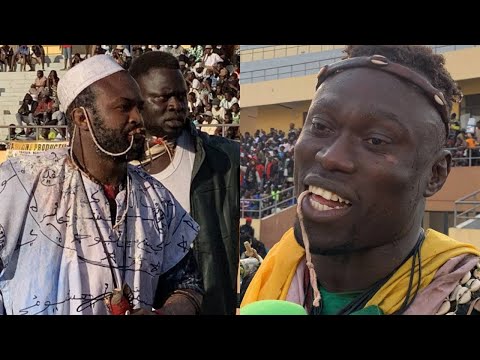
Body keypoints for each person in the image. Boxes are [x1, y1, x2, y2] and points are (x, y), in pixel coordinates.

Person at [241, 45, 480, 315]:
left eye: (376, 140)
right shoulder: (263, 278)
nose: (331, 157)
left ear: (435, 174)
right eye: (320, 126)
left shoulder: (465, 297)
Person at [0, 55, 203, 315]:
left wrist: (167, 313)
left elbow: (189, 286)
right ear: (82, 118)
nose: (138, 119)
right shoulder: (20, 182)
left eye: (139, 107)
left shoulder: (158, 199)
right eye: (124, 107)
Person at [129, 51, 240, 315]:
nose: (176, 105)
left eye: (180, 96)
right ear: (137, 102)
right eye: (163, 97)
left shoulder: (225, 160)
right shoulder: (119, 170)